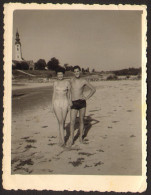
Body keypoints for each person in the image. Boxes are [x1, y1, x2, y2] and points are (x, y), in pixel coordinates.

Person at [67, 65, 96, 146]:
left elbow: (93, 89)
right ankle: (71, 139)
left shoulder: (84, 81)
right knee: (72, 122)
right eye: (75, 71)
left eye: (78, 71)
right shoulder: (71, 81)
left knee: (81, 121)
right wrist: (69, 101)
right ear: (73, 72)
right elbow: (68, 91)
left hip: (82, 103)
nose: (76, 73)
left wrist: (86, 98)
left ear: (80, 71)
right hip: (73, 103)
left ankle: (80, 138)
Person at [52, 67, 71, 147]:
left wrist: (70, 103)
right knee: (60, 121)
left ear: (63, 74)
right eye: (58, 74)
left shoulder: (67, 83)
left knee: (63, 121)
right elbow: (54, 94)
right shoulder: (55, 83)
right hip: (56, 103)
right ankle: (63, 141)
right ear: (57, 75)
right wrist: (52, 104)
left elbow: (69, 94)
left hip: (65, 102)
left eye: (61, 74)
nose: (60, 75)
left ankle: (61, 138)